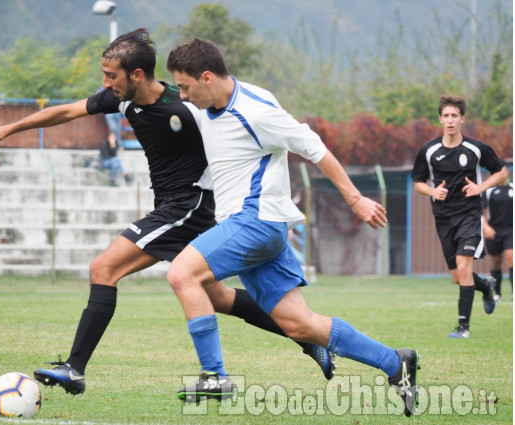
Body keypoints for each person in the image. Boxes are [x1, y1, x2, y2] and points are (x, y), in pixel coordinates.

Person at [0, 29, 335, 397]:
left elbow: (234, 128)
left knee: (104, 267)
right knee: (218, 297)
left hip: (191, 204)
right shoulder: (122, 101)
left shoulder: (187, 105)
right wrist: (9, 129)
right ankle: (309, 338)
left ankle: (75, 368)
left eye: (111, 75)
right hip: (172, 205)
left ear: (136, 75)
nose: (105, 83)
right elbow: (67, 110)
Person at [166, 38, 419, 417]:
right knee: (301, 326)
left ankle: (215, 376)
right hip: (255, 227)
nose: (182, 95)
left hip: (256, 220)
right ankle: (395, 362)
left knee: (182, 274)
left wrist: (354, 199)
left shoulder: (257, 111)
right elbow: (158, 93)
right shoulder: (206, 103)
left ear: (207, 78)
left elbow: (313, 147)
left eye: (185, 86)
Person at [412, 95, 507, 339]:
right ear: (440, 119)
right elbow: (418, 182)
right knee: (457, 277)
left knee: (464, 267)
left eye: (455, 115)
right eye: (446, 116)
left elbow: (501, 173)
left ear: (462, 119)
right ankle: (486, 286)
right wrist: (433, 191)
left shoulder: (476, 148)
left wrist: (480, 187)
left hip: (470, 215)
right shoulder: (429, 150)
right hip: (443, 219)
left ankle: (463, 327)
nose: (451, 120)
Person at [483, 171, 513, 301]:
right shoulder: (489, 190)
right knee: (496, 262)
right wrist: (486, 227)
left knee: (511, 258)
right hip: (494, 230)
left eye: (504, 171)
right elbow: (481, 211)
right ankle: (497, 294)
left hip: (511, 229)